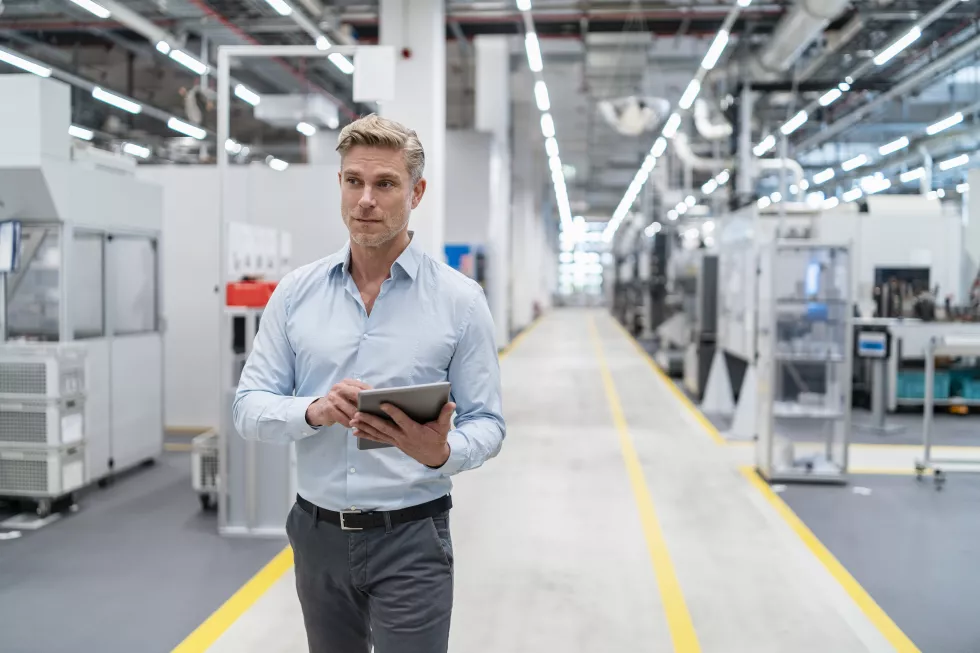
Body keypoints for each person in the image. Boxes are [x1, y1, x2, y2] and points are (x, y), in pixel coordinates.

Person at [233, 114, 505, 653]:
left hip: (413, 536)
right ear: (339, 183)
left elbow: (489, 423)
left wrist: (441, 451)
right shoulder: (295, 293)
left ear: (416, 192)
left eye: (385, 184)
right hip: (317, 534)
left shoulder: (460, 301)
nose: (365, 200)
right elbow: (248, 406)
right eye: (354, 181)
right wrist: (313, 410)